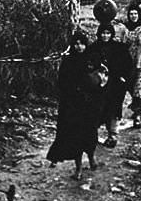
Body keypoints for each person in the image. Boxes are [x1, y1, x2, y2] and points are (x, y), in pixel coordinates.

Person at [46, 31, 107, 180]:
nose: (79, 47)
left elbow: (102, 77)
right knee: (76, 137)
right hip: (73, 105)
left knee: (90, 133)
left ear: (86, 45)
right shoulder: (68, 61)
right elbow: (62, 82)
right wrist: (73, 91)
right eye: (76, 43)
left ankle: (92, 158)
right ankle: (78, 168)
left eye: (82, 43)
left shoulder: (92, 59)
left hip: (89, 104)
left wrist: (98, 86)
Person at [91, 9, 132, 148]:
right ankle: (92, 134)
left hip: (115, 85)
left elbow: (128, 65)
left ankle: (113, 134)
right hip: (98, 85)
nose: (105, 36)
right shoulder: (93, 48)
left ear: (112, 34)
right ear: (99, 34)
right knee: (97, 107)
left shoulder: (119, 48)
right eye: (103, 33)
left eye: (108, 33)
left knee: (114, 108)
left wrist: (123, 78)